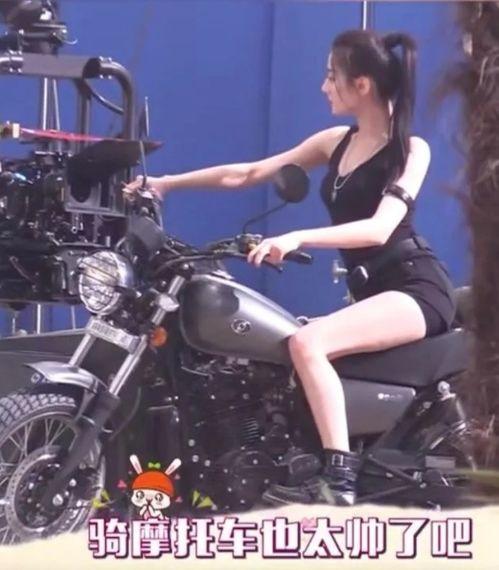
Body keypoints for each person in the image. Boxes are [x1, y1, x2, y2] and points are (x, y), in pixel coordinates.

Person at [125, 29, 457, 507]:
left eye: (331, 76)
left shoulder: (410, 149)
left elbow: (380, 228)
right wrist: (167, 183)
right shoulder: (336, 142)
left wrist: (298, 236)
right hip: (374, 293)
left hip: (415, 288)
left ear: (361, 84)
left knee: (308, 342)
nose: (324, 87)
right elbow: (249, 173)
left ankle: (339, 480)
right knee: (282, 350)